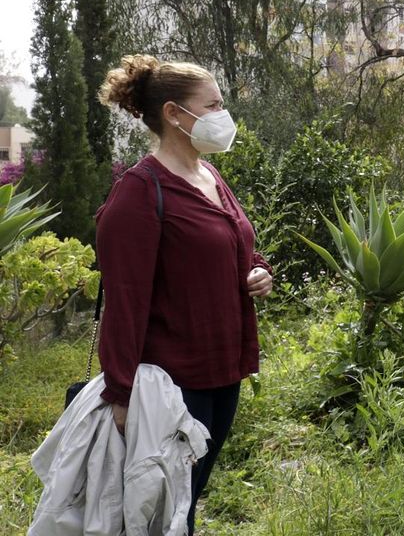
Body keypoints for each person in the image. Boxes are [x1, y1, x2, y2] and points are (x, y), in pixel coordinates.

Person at [95, 55, 272, 534]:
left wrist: (257, 271)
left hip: (223, 371)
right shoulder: (139, 192)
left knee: (183, 503)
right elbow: (124, 302)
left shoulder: (210, 177)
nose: (222, 115)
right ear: (174, 114)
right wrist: (121, 395)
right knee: (164, 511)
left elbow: (234, 248)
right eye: (211, 105)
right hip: (171, 385)